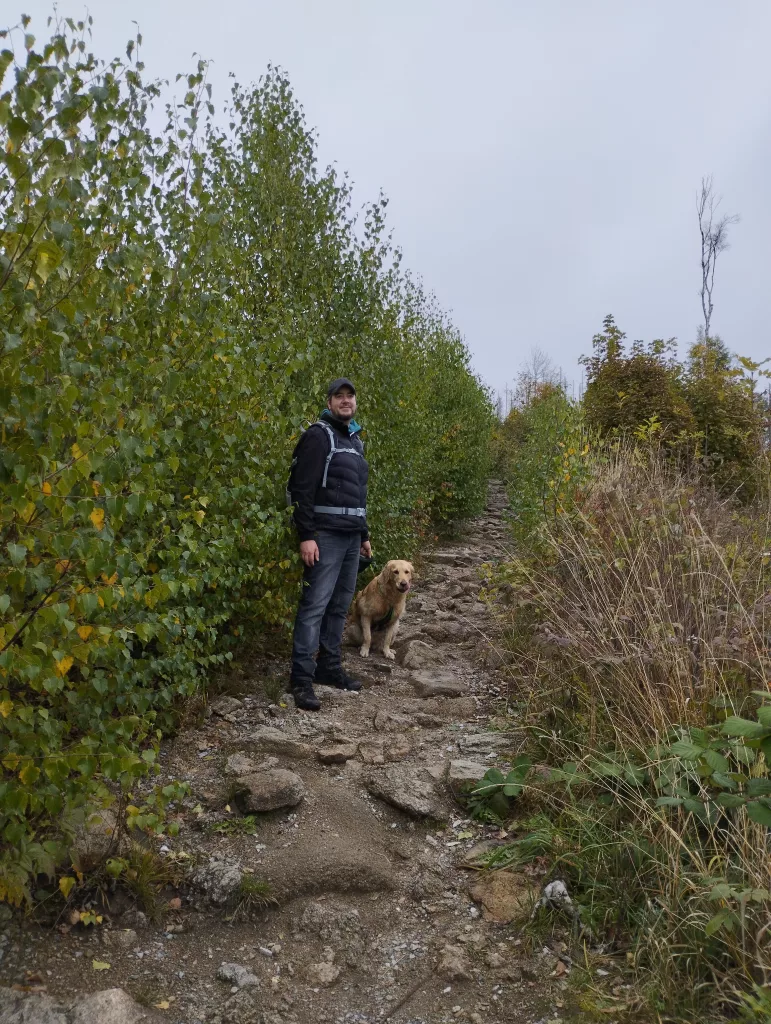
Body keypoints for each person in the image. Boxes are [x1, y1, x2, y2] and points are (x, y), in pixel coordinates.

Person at [287, 378, 372, 710]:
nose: (346, 401)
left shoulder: (355, 442)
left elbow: (358, 494)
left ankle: (329, 668)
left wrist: (363, 535)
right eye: (340, 396)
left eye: (350, 396)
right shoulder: (317, 436)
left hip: (351, 537)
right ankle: (302, 679)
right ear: (329, 401)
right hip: (324, 535)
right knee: (314, 606)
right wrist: (306, 535)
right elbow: (300, 490)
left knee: (339, 607)